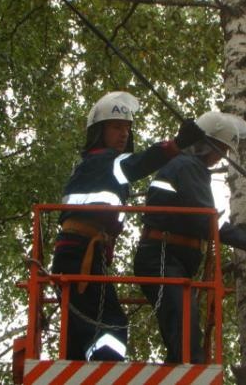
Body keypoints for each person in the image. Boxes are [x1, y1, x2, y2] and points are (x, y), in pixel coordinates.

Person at [51, 91, 205, 362]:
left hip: (76, 252)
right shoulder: (106, 162)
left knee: (80, 327)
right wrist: (178, 143)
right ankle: (106, 370)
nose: (123, 134)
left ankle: (80, 366)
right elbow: (140, 163)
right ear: (99, 131)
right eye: (116, 127)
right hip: (81, 252)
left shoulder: (89, 166)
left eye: (127, 128)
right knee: (111, 324)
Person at [133, 111, 246, 364]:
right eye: (220, 148)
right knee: (185, 331)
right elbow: (205, 219)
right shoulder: (187, 166)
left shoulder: (188, 167)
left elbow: (199, 217)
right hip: (164, 257)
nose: (220, 156)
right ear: (205, 144)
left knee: (182, 326)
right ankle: (188, 369)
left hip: (168, 258)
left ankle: (180, 366)